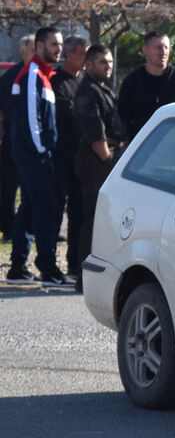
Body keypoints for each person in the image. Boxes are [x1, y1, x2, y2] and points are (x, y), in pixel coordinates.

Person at [6, 27, 67, 286]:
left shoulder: (42, 74)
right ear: (40, 46)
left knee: (30, 207)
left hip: (32, 151)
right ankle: (47, 266)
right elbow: (33, 118)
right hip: (34, 152)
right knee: (43, 208)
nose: (58, 49)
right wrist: (42, 151)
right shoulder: (33, 73)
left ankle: (18, 267)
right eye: (54, 44)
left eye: (60, 44)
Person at [73, 44, 125, 293]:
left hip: (107, 158)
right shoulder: (87, 92)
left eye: (110, 62)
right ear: (89, 64)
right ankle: (84, 278)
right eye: (103, 62)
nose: (108, 66)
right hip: (96, 163)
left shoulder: (103, 88)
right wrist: (110, 162)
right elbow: (95, 135)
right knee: (93, 220)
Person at [51, 35, 89, 281]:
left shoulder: (85, 81)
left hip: (82, 159)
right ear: (69, 54)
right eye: (82, 54)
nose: (86, 59)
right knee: (54, 210)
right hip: (60, 156)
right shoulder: (55, 82)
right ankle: (47, 261)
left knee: (79, 212)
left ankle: (74, 262)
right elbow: (65, 114)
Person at [117, 31, 175, 140]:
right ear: (145, 50)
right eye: (158, 47)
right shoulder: (132, 81)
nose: (163, 52)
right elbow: (123, 117)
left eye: (166, 47)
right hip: (143, 145)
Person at [0, 34, 34, 242]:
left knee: (33, 187)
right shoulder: (11, 76)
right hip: (14, 137)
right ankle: (8, 226)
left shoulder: (41, 74)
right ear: (22, 51)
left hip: (35, 140)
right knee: (9, 186)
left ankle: (31, 226)